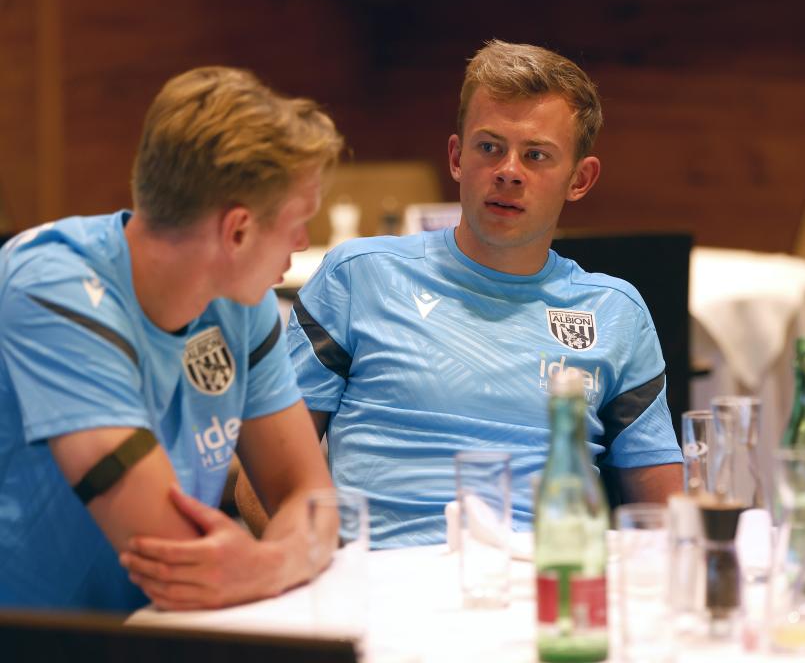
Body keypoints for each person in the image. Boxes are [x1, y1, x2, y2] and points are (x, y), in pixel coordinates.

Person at [239, 40, 682, 548]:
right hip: (377, 586)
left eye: (536, 155)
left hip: (537, 589)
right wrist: (320, 580)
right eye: (489, 147)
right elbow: (262, 484)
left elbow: (665, 517)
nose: (508, 170)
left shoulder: (613, 312)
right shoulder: (359, 277)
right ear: (456, 156)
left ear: (579, 179)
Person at [0, 66, 342, 612]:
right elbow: (176, 563)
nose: (302, 244)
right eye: (297, 223)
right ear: (237, 231)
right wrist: (288, 556)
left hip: (158, 631)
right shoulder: (51, 285)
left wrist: (272, 562)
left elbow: (312, 498)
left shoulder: (243, 302)